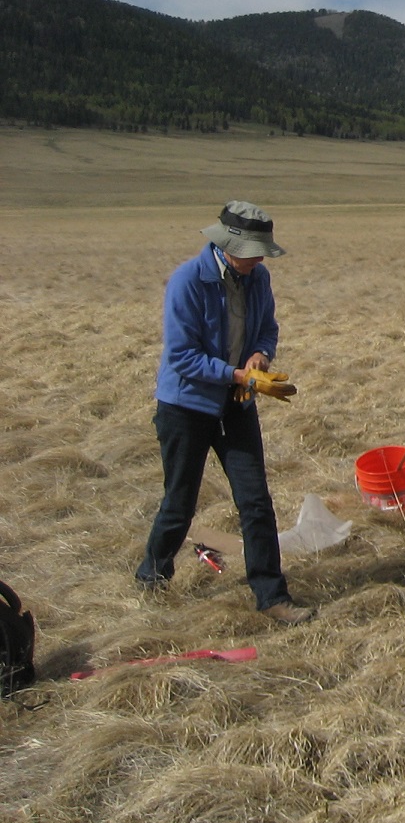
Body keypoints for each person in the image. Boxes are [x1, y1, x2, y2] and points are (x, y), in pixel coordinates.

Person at [136, 201, 313, 625]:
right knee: (179, 503)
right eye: (252, 251)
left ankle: (271, 595)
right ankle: (152, 576)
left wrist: (260, 355)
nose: (258, 259)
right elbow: (181, 357)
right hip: (186, 407)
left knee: (255, 501)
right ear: (227, 245)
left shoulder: (259, 278)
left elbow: (268, 328)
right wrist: (236, 375)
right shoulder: (186, 281)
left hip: (236, 406)